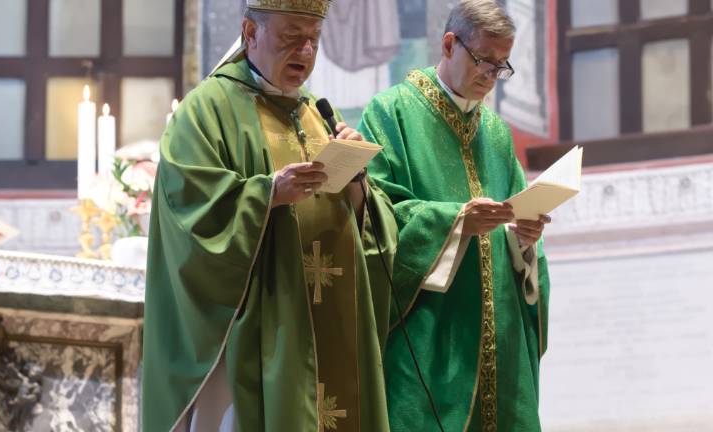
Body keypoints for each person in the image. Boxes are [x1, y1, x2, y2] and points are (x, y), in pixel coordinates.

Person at [141, 1, 398, 431]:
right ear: (250, 32)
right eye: (290, 37)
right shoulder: (206, 110)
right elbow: (188, 210)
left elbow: (370, 226)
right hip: (261, 329)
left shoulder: (318, 114)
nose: (304, 52)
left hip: (329, 318)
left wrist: (357, 181)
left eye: (313, 40)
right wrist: (266, 194)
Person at [357, 1, 551, 430]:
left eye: (502, 67)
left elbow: (516, 212)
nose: (491, 76)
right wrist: (456, 221)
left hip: (500, 342)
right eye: (484, 61)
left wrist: (524, 239)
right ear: (449, 44)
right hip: (430, 335)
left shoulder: (497, 133)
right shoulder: (391, 113)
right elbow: (377, 213)